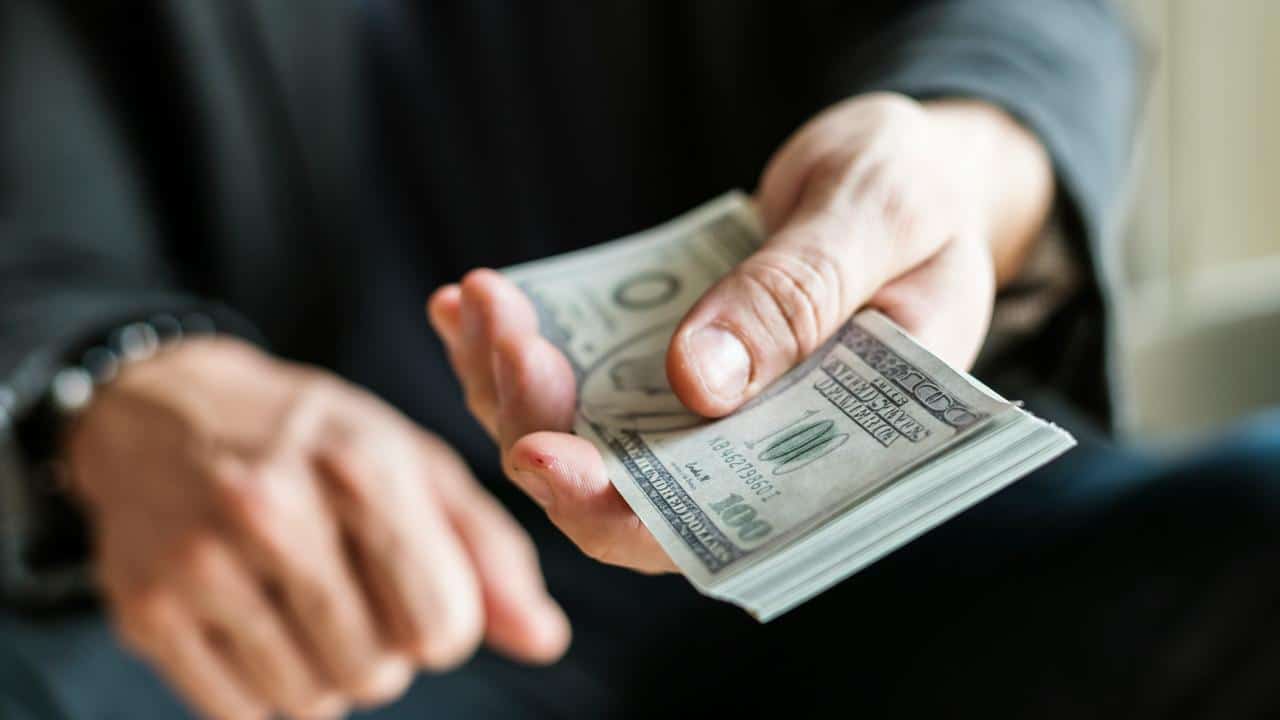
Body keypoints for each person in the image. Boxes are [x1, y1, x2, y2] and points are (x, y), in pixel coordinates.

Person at [3, 1, 1277, 718]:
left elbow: (1018, 23)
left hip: (907, 579)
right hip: (312, 621)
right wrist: (103, 388)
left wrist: (964, 160)